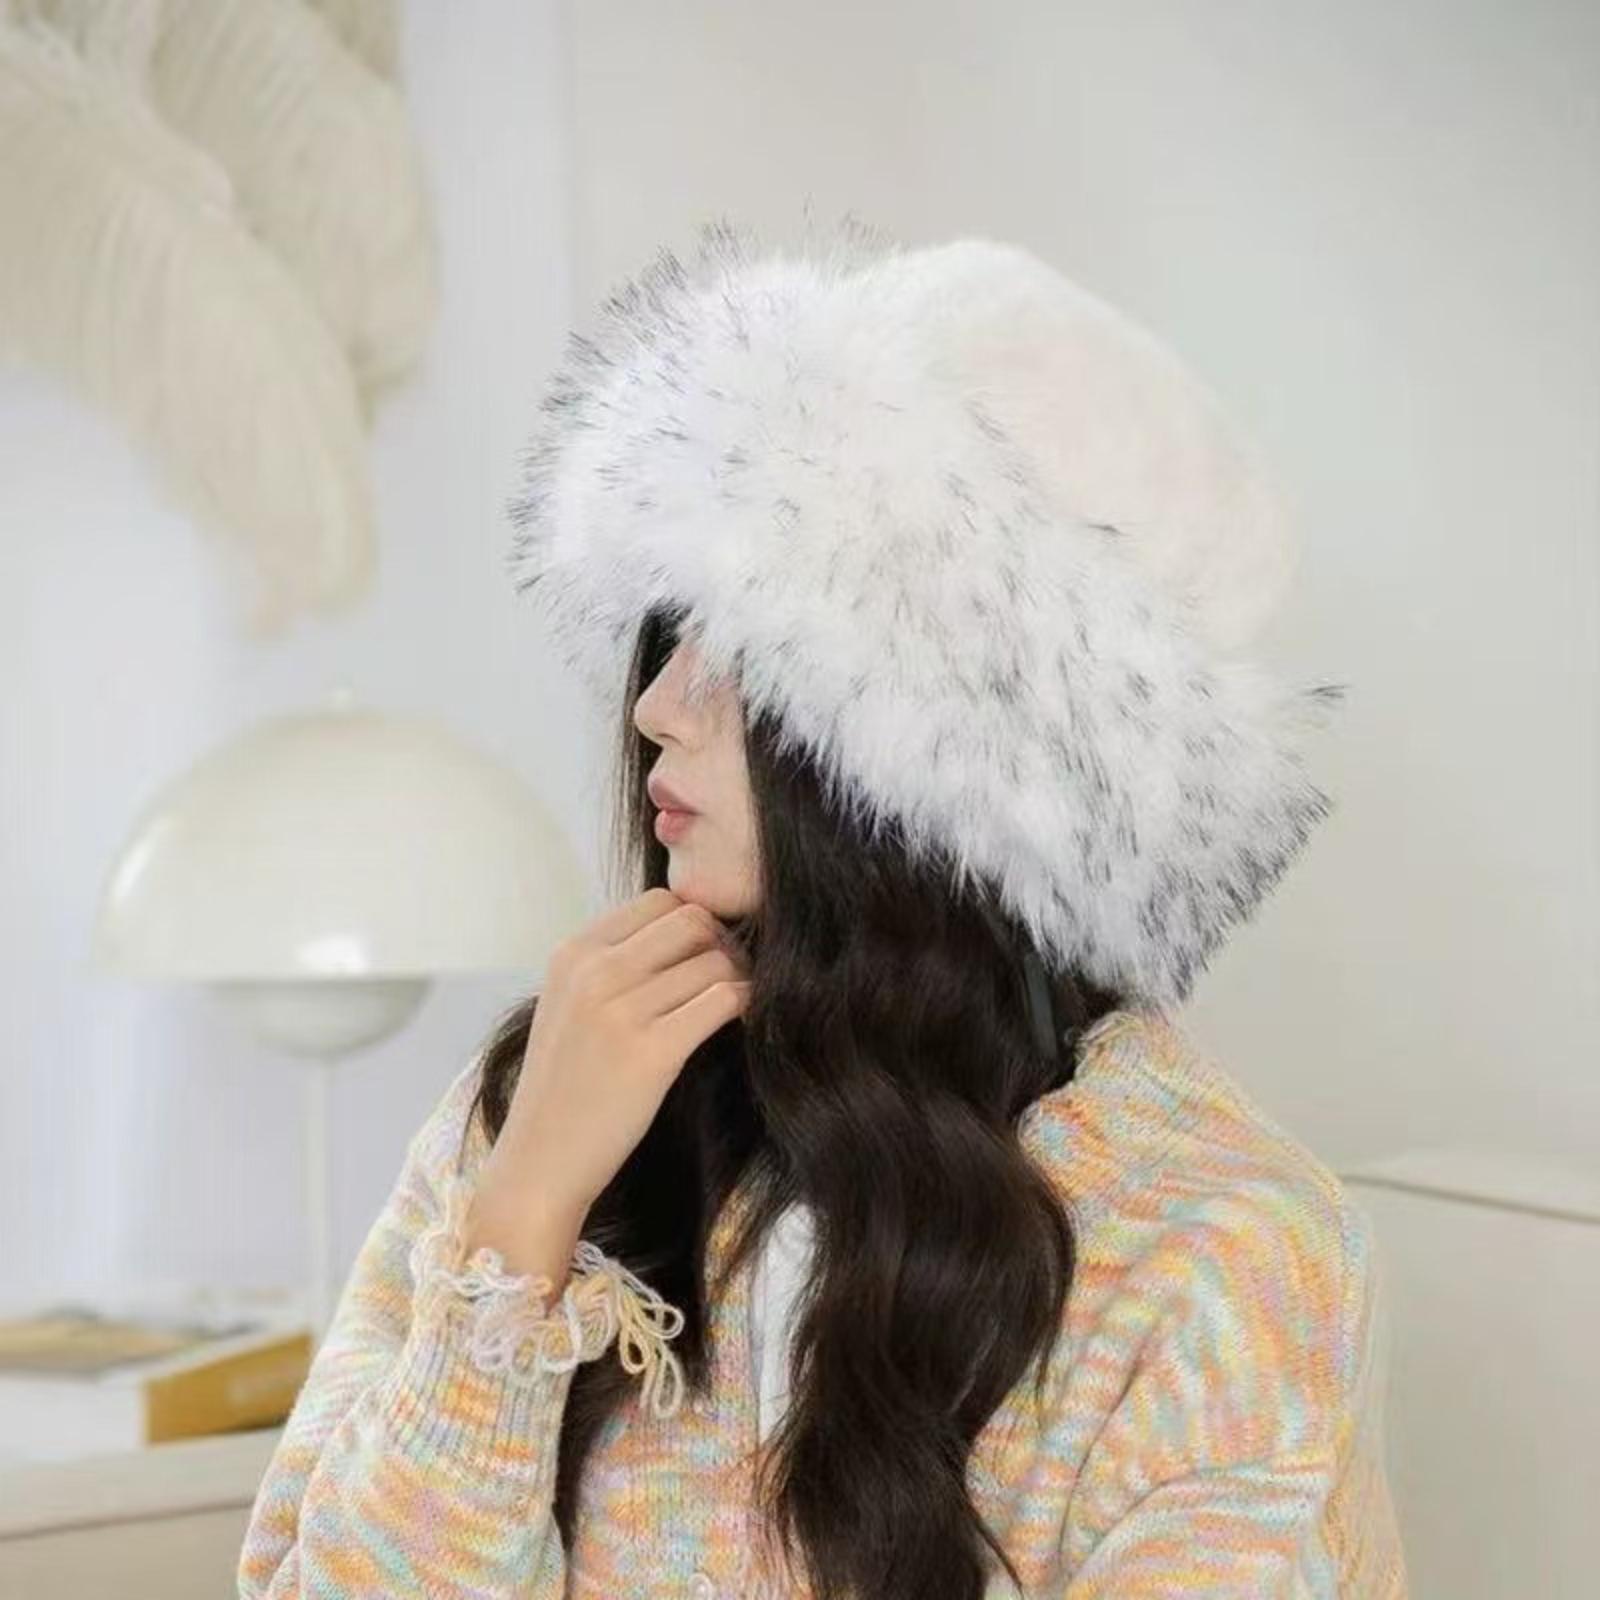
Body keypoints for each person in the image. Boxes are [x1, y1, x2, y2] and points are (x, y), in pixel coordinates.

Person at [237, 214, 1409, 1599]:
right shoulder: (558, 1094)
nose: (656, 709)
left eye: (742, 653)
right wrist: (521, 1223)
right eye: (669, 635)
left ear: (949, 746)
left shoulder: (1218, 1244)